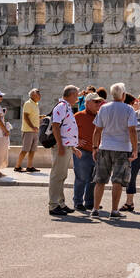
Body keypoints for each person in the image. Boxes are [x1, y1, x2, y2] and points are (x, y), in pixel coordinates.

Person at [92, 83, 138, 218]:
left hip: (105, 147)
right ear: (123, 95)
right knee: (117, 181)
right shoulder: (129, 110)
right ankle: (114, 210)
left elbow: (97, 130)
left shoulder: (103, 108)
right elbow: (132, 130)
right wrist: (135, 149)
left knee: (100, 180)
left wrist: (95, 147)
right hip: (122, 148)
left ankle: (95, 209)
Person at [47, 86, 80, 216]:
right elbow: (55, 126)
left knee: (61, 176)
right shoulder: (61, 106)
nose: (77, 98)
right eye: (76, 95)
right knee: (57, 176)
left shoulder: (67, 107)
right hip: (61, 147)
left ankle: (60, 203)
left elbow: (66, 129)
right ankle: (53, 205)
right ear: (71, 95)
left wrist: (72, 147)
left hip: (66, 146)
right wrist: (60, 146)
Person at [72, 92, 103, 211]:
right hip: (82, 151)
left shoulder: (100, 116)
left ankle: (90, 202)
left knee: (93, 179)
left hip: (97, 152)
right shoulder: (78, 116)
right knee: (81, 177)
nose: (98, 104)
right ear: (88, 103)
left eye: (99, 102)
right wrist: (76, 140)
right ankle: (78, 202)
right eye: (96, 102)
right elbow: (67, 130)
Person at [14, 88, 42, 173]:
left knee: (32, 150)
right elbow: (25, 117)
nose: (40, 95)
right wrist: (32, 126)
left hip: (35, 131)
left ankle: (29, 167)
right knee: (25, 149)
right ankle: (17, 166)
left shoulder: (35, 104)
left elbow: (32, 116)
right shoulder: (28, 103)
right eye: (38, 94)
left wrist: (40, 117)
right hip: (28, 130)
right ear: (33, 95)